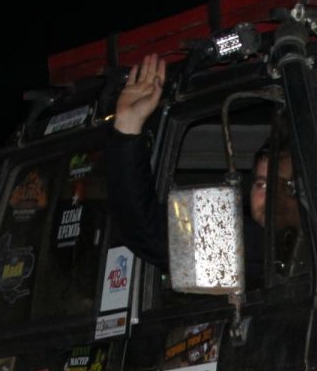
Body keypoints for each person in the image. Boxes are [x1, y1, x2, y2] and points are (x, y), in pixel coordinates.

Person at [106, 53, 298, 275]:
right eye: (261, 184)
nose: (270, 196)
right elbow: (150, 232)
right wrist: (128, 124)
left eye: (283, 184)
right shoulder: (251, 247)